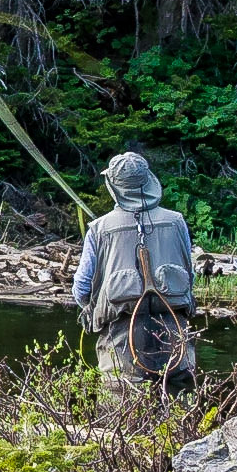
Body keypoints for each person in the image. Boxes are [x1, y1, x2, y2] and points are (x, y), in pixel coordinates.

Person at [72, 152, 196, 389]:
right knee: (180, 411)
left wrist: (91, 309)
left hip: (120, 338)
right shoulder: (177, 221)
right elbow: (190, 275)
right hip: (174, 332)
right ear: (148, 181)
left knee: (122, 413)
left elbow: (82, 288)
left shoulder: (99, 229)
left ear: (113, 187)